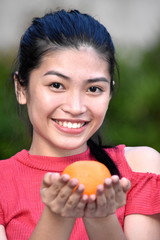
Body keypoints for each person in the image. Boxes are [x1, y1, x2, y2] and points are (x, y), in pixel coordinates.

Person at [0, 9, 160, 240]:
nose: (76, 107)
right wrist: (57, 216)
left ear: (110, 92)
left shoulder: (140, 168)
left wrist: (102, 219)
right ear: (21, 88)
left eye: (94, 89)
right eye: (56, 85)